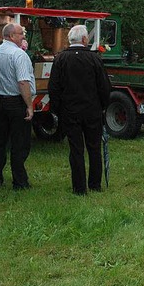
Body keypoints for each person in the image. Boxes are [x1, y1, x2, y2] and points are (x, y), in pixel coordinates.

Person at [48, 25, 111, 195]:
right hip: (92, 111)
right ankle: (95, 184)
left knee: (76, 150)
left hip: (70, 111)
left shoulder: (60, 59)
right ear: (84, 39)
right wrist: (103, 106)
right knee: (94, 147)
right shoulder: (94, 59)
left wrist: (58, 110)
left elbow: (53, 87)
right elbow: (104, 86)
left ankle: (79, 187)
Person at [0, 23, 35, 190]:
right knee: (20, 143)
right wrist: (29, 105)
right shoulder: (19, 55)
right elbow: (23, 82)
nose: (23, 37)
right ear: (11, 36)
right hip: (16, 102)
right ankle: (19, 181)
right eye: (21, 34)